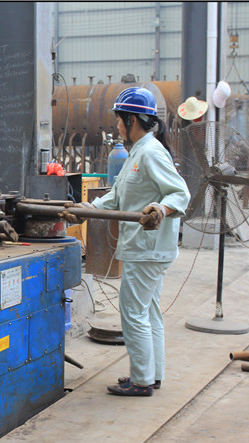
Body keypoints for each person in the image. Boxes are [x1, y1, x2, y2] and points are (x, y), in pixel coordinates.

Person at [62, 87, 191, 397]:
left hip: (147, 248)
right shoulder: (138, 153)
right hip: (145, 248)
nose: (117, 126)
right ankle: (151, 374)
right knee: (148, 311)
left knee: (133, 312)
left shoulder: (150, 152)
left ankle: (141, 381)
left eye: (119, 120)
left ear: (132, 120)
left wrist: (161, 209)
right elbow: (118, 196)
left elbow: (179, 193)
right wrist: (87, 209)